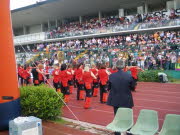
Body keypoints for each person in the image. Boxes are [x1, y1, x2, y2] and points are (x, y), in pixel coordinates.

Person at [107, 60, 135, 135]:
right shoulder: (129, 76)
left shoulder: (111, 76)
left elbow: (108, 88)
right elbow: (133, 88)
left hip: (116, 99)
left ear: (116, 67)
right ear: (124, 66)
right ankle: (129, 132)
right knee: (128, 117)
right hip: (126, 99)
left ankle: (117, 132)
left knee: (117, 117)